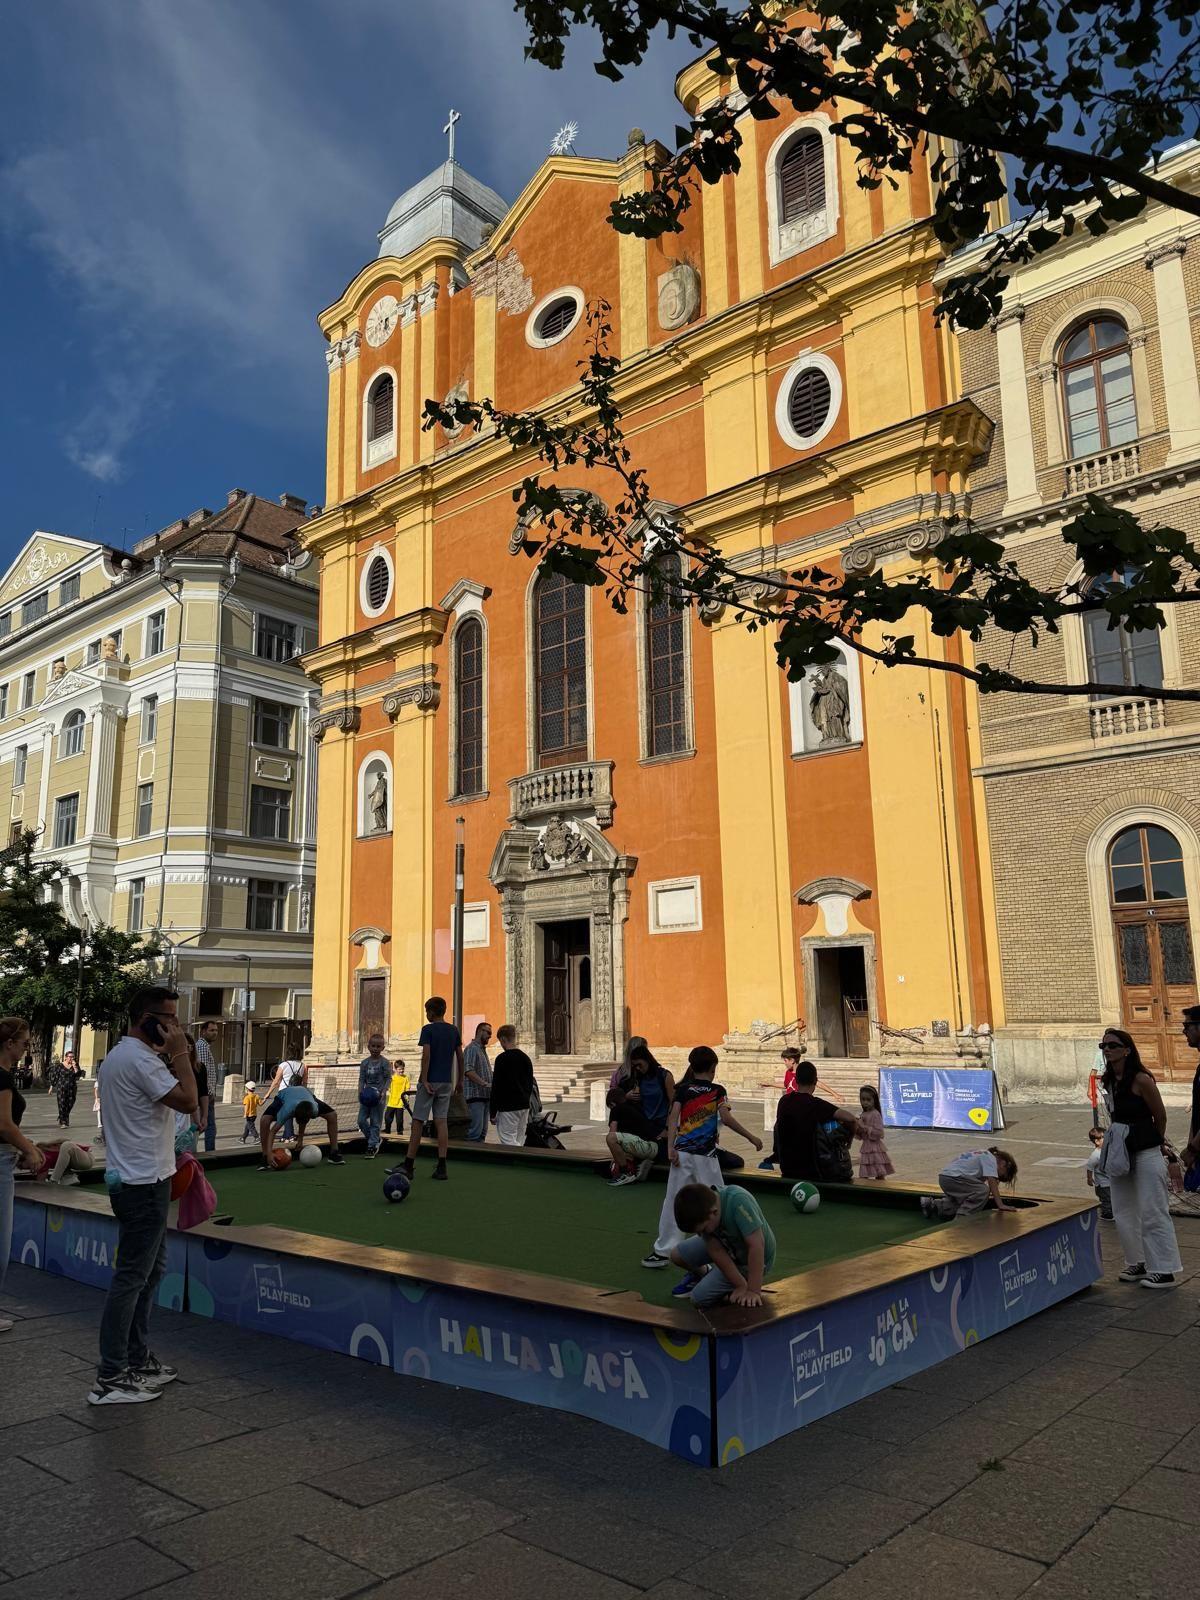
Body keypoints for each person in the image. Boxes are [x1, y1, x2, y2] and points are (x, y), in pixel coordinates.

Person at [89, 986, 197, 1405]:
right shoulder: (139, 1060)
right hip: (143, 1183)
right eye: (169, 1019)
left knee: (149, 1273)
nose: (175, 1027)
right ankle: (111, 1376)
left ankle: (135, 1358)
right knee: (132, 1277)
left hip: (141, 1177)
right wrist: (181, 1053)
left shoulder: (123, 1056)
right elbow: (188, 1101)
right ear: (145, 1020)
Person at [642, 1046, 762, 1269]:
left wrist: (670, 1147)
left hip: (682, 1153)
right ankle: (726, 1249)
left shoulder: (683, 1090)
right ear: (713, 1068)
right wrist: (751, 1137)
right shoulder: (717, 1091)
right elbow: (726, 1119)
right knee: (718, 1201)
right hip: (706, 1156)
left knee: (673, 1199)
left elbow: (672, 1118)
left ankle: (663, 1250)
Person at [1098, 1027, 1182, 1289]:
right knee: (1123, 1208)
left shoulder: (1142, 1079)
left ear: (1127, 1050)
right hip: (1119, 1150)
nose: (1107, 1049)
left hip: (1145, 1149)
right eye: (1104, 1046)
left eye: (1113, 1045)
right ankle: (1138, 1261)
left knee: (1152, 1208)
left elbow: (1161, 1115)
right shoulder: (1109, 1080)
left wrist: (1156, 1141)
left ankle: (1164, 1269)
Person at [0, 1017, 46, 1333]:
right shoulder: (2, 1078)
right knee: (1, 1240)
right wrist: (29, 1149)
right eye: (25, 1043)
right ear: (9, 1043)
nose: (26, 1048)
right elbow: (4, 1124)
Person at [669, 1181, 776, 1307]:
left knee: (698, 1299)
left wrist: (752, 1291)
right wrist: (740, 1285)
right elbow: (717, 1251)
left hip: (751, 1259)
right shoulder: (705, 1209)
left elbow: (756, 1246)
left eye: (702, 1230)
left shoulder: (738, 1201)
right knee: (676, 1255)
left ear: (714, 1212)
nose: (700, 1235)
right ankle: (704, 1273)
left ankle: (728, 1291)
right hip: (727, 1245)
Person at [400, 997, 462, 1181]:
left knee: (418, 1121)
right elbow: (460, 1056)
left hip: (430, 1081)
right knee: (441, 1121)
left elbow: (426, 1055)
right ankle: (442, 1166)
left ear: (432, 1012)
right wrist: (459, 1081)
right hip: (446, 1082)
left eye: (427, 1011)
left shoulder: (428, 1030)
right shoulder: (453, 1030)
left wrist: (425, 1079)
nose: (426, 1014)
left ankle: (408, 1164)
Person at [772, 1060, 859, 1181]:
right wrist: (849, 1141)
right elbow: (851, 1119)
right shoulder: (816, 1105)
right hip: (811, 1170)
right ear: (815, 1081)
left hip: (787, 1167)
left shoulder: (784, 1101)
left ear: (796, 1080)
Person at [606, 1044, 675, 1186]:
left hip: (660, 1126)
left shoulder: (665, 1076)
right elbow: (620, 1097)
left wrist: (668, 1129)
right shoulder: (636, 1078)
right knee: (620, 1110)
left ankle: (632, 1166)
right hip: (643, 1124)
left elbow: (673, 1104)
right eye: (634, 1066)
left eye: (639, 1064)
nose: (637, 1068)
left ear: (647, 1060)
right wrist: (628, 1096)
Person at [259, 1083, 344, 1168]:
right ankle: (265, 1157)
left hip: (306, 1093)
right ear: (294, 1115)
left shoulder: (314, 1109)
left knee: (332, 1115)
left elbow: (303, 1120)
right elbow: (273, 1131)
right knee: (264, 1120)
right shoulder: (287, 1110)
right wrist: (269, 1153)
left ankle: (334, 1152)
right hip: (285, 1095)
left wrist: (300, 1140)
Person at [920, 1147, 1019, 1219]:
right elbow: (991, 1181)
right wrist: (1000, 1205)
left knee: (969, 1198)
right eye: (1000, 1176)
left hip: (945, 1177)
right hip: (955, 1178)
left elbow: (989, 1182)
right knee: (983, 1191)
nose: (997, 1178)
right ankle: (962, 1219)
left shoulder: (980, 1153)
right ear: (1004, 1164)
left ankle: (934, 1205)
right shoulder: (991, 1159)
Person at [489, 1025, 535, 1146]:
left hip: (507, 1107)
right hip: (524, 1105)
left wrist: (492, 1112)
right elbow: (530, 1083)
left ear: (503, 1039)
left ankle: (519, 1157)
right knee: (519, 1139)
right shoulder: (526, 1058)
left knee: (508, 1139)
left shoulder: (501, 1059)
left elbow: (496, 1087)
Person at [357, 1033, 392, 1158]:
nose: (375, 1049)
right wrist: (360, 1091)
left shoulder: (385, 1063)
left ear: (383, 1048)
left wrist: (383, 1091)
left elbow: (388, 1078)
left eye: (378, 1046)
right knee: (361, 1120)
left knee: (375, 1122)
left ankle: (372, 1146)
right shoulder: (364, 1063)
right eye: (373, 1046)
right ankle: (375, 1140)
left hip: (378, 1098)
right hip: (367, 1096)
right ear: (368, 1047)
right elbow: (362, 1079)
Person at [262, 1058, 306, 1144]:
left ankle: (289, 1135)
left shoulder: (283, 1065)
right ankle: (286, 1135)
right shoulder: (302, 1065)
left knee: (284, 1114)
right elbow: (304, 1081)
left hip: (285, 1092)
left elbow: (276, 1081)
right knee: (290, 1112)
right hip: (297, 1092)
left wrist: (268, 1093)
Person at [854, 1085, 894, 1180]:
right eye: (863, 1099)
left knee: (879, 1172)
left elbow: (879, 1132)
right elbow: (861, 1135)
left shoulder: (876, 1114)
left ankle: (881, 1186)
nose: (865, 1102)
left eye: (868, 1100)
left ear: (874, 1100)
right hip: (866, 1147)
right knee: (864, 1172)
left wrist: (864, 1127)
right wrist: (857, 1127)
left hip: (875, 1147)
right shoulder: (863, 1114)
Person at [463, 1022, 493, 1143]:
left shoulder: (482, 1050)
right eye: (488, 1033)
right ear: (480, 1031)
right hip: (475, 1097)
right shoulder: (471, 1049)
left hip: (484, 1097)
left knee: (482, 1133)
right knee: (474, 1133)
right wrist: (484, 1084)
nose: (490, 1036)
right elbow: (468, 1070)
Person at [195, 1021, 220, 1152]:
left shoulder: (204, 1046)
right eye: (211, 1030)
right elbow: (203, 1073)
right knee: (209, 1126)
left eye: (216, 1030)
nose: (215, 1033)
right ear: (203, 1031)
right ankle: (210, 1153)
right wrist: (208, 1093)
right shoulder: (202, 1047)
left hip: (206, 1093)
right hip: (206, 1094)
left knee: (205, 1125)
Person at [1086, 1124, 1113, 1219]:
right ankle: (1106, 1214)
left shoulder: (1107, 1150)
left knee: (1111, 1198)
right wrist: (1089, 1179)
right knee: (1107, 1199)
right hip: (1103, 1184)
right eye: (1104, 1138)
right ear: (1097, 1141)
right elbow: (1089, 1167)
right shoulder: (1096, 1155)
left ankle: (1110, 1211)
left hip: (1109, 1181)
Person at [54, 1050, 83, 1128]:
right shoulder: (60, 1065)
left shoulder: (75, 1065)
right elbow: (56, 1076)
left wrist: (75, 1067)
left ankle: (62, 1116)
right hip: (61, 1087)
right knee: (62, 1104)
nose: (72, 1058)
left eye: (73, 1057)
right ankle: (64, 1122)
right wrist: (51, 1086)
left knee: (70, 1103)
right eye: (70, 1057)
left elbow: (78, 1075)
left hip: (72, 1087)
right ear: (66, 1057)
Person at [383, 1060, 409, 1137]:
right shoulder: (392, 1078)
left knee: (399, 1120)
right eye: (399, 1069)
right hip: (391, 1102)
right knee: (387, 1118)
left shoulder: (406, 1078)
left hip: (400, 1103)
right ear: (395, 1069)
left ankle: (400, 1133)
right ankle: (387, 1130)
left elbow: (407, 1090)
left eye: (403, 1069)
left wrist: (406, 1100)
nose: (401, 1070)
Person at [93, 1073, 104, 1143]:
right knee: (99, 1110)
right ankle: (99, 1123)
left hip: (104, 1097)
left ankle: (102, 1122)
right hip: (99, 1098)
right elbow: (96, 1091)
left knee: (103, 1111)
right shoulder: (97, 1082)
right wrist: (97, 1098)